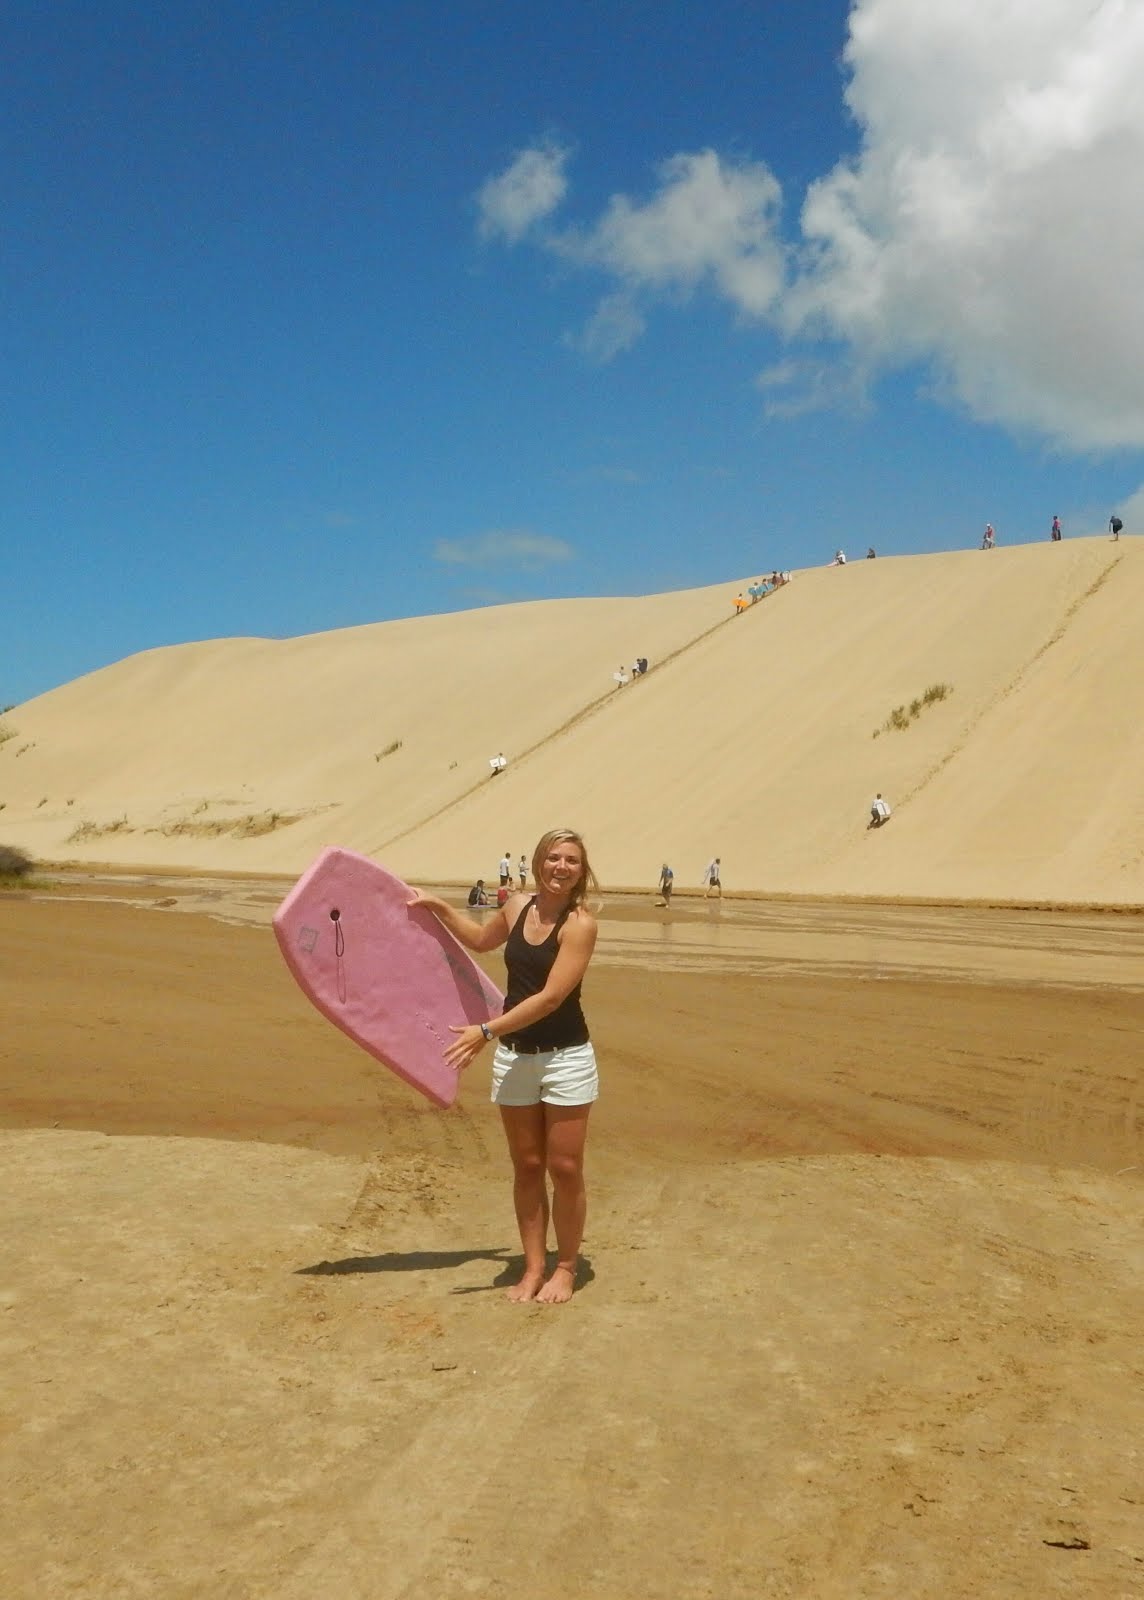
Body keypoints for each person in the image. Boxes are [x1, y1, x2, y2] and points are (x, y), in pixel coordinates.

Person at [408, 829, 601, 1305]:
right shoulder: (516, 906)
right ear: (539, 862)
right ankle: (533, 1267)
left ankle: (566, 1267)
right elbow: (479, 940)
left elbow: (551, 997)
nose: (561, 867)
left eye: (571, 860)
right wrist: (438, 908)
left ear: (581, 870)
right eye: (553, 858)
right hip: (515, 1058)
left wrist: (486, 1030)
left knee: (565, 1166)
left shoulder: (581, 925)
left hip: (566, 1059)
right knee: (528, 1166)